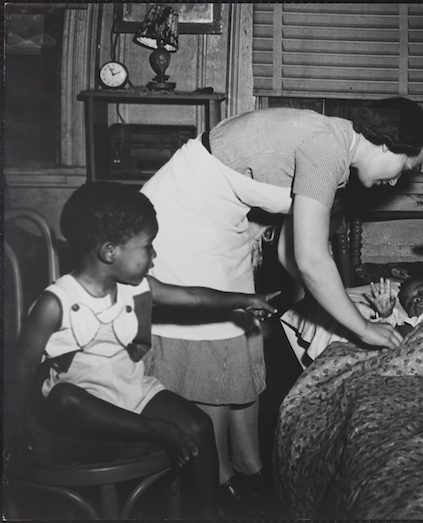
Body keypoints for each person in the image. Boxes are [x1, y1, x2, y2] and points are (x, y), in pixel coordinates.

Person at [139, 97, 423, 510]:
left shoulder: (334, 147)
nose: (398, 181)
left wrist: (328, 297)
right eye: (405, 168)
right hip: (184, 217)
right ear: (389, 145)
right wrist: (363, 327)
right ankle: (220, 475)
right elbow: (311, 259)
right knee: (216, 346)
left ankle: (250, 465)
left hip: (223, 220)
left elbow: (287, 251)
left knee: (242, 334)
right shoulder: (327, 149)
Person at [6, 182, 280, 519]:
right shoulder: (55, 303)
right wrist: (15, 430)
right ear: (110, 252)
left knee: (198, 425)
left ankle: (208, 515)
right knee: (65, 397)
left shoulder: (134, 287)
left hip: (129, 389)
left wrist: (244, 300)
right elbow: (19, 369)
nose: (153, 257)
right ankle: (156, 430)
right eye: (147, 247)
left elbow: (192, 296)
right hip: (79, 402)